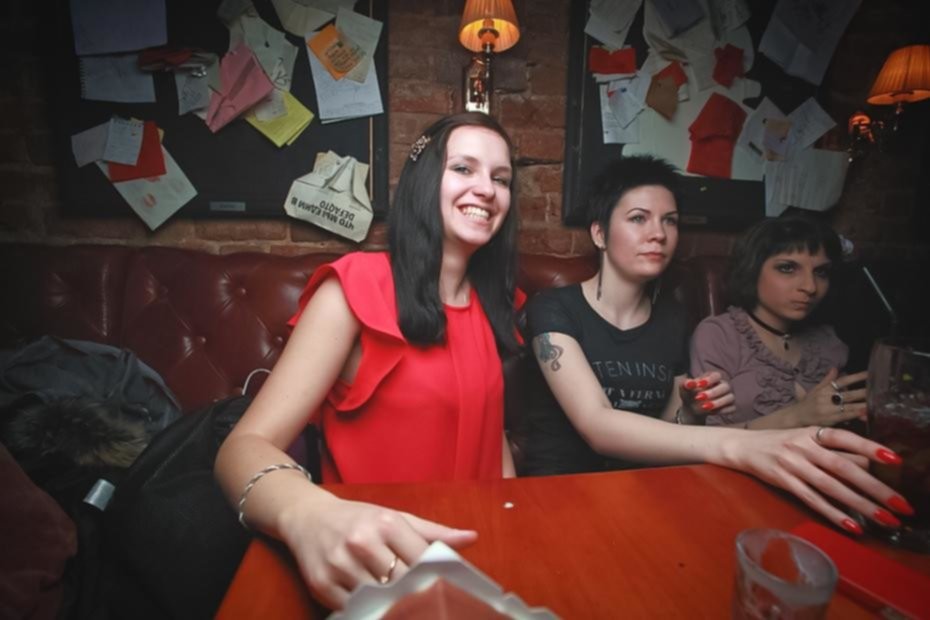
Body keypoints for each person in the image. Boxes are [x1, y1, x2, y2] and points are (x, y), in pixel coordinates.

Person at [215, 112, 522, 610]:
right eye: (464, 169)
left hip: (479, 563)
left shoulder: (493, 304)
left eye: (501, 178)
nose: (486, 189)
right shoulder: (357, 286)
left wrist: (516, 521)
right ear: (425, 181)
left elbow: (492, 437)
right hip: (373, 570)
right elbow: (241, 450)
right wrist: (309, 514)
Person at [521, 155, 912, 537]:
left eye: (669, 220)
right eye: (638, 218)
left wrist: (692, 410)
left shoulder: (672, 318)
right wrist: (744, 445)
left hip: (642, 494)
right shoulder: (554, 307)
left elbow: (670, 430)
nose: (659, 233)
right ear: (599, 233)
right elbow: (597, 425)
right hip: (560, 494)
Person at [689, 215, 867, 429]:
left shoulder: (828, 342)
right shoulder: (720, 335)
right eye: (787, 268)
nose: (810, 287)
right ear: (752, 269)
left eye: (821, 272)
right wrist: (798, 416)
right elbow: (704, 437)